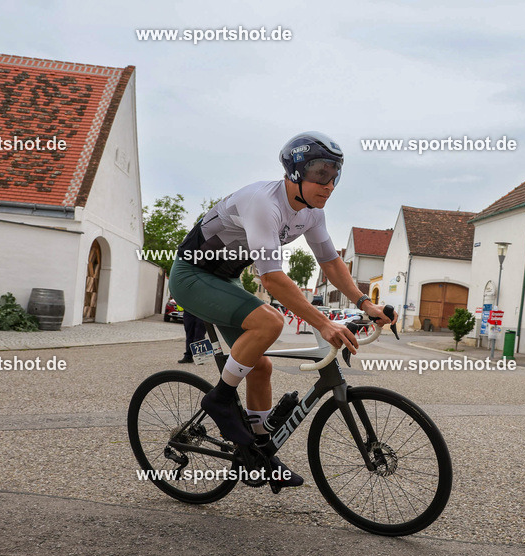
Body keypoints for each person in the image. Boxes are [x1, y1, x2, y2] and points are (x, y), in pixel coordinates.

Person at [169, 132, 396, 490]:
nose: (329, 184)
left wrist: (365, 303)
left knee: (260, 366)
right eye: (321, 174)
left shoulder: (312, 213)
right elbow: (272, 278)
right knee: (271, 322)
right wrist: (324, 324)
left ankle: (260, 453)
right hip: (192, 275)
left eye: (335, 175)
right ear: (295, 172)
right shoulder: (265, 203)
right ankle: (219, 400)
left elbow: (331, 262)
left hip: (226, 279)